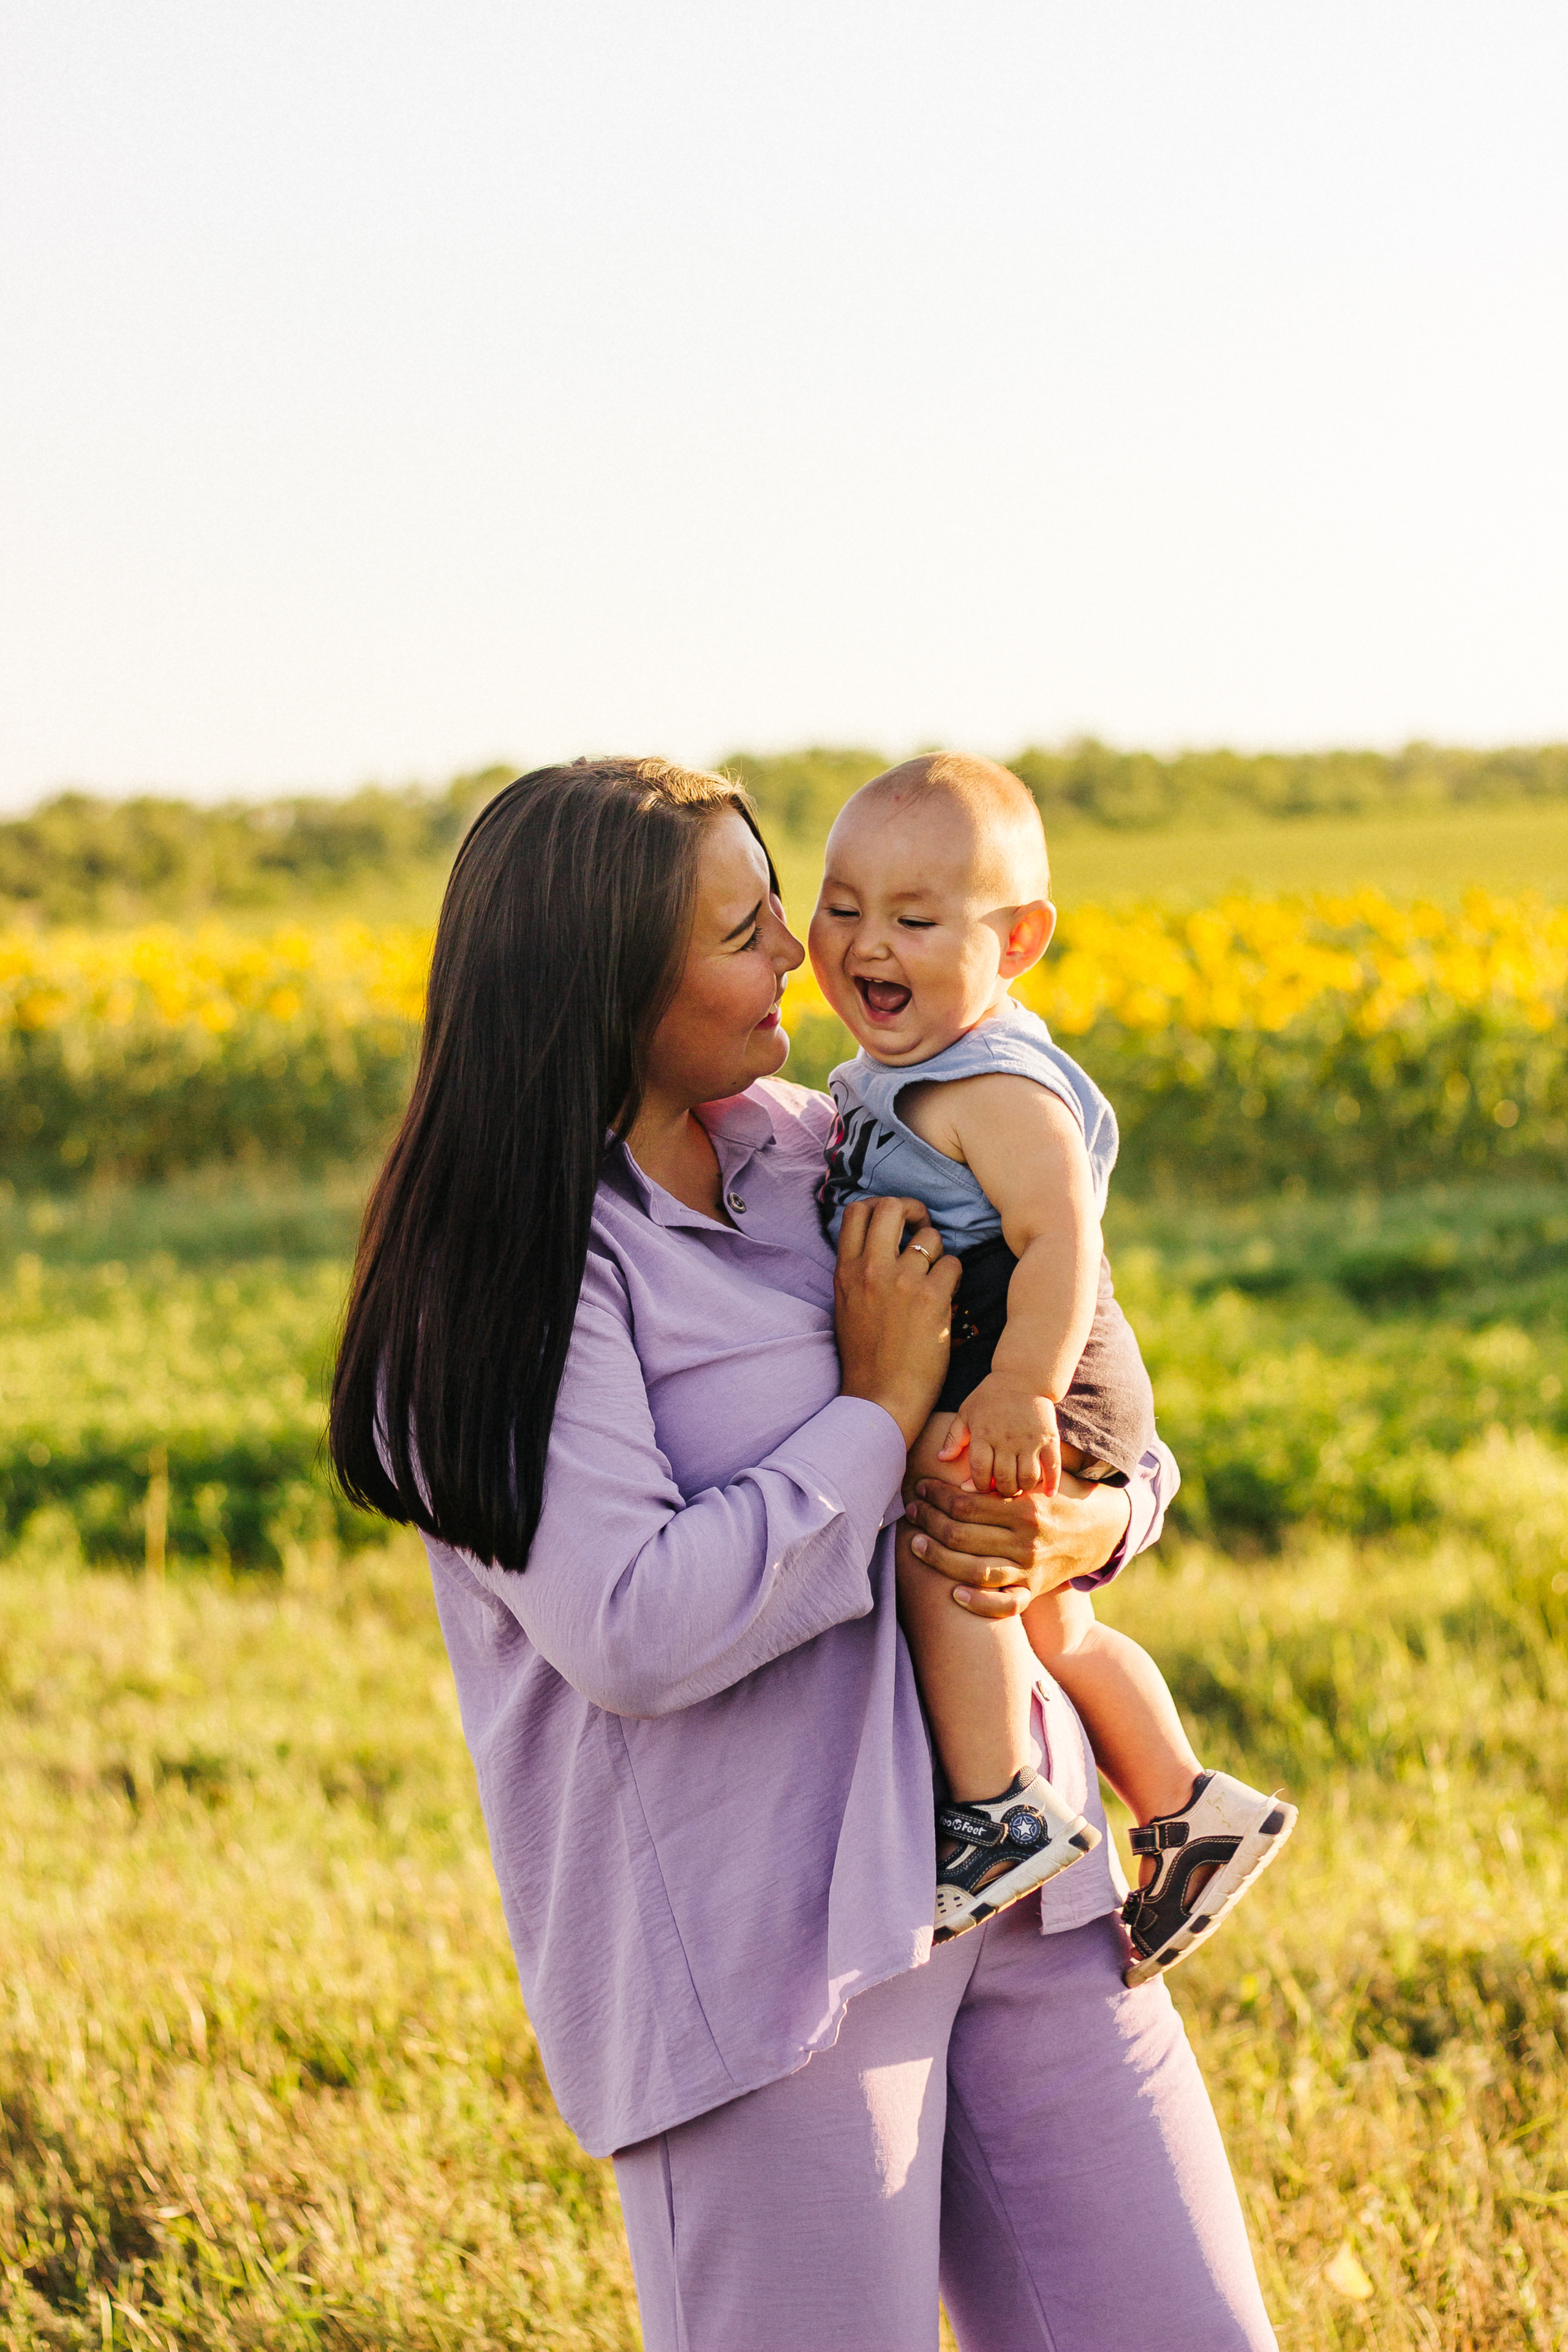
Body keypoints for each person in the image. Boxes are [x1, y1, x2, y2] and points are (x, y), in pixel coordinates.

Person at [330, 758, 1277, 2352]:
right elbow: (630, 1626)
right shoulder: (510, 1272)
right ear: (611, 980)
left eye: (787, 904)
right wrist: (879, 1408)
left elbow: (1085, 1385)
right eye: (746, 924)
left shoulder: (821, 1145)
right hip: (771, 1968)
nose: (801, 952)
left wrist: (1099, 1520)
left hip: (1022, 1880)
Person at [810, 753, 1297, 1975]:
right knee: (1053, 1622)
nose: (867, 943)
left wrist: (1018, 1388)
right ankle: (1186, 1806)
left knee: (948, 1550)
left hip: (1036, 1358)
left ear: (1017, 941)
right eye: (840, 906)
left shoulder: (994, 1085)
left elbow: (1061, 1241)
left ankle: (995, 1808)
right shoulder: (900, 1068)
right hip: (1011, 1355)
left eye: (915, 920)